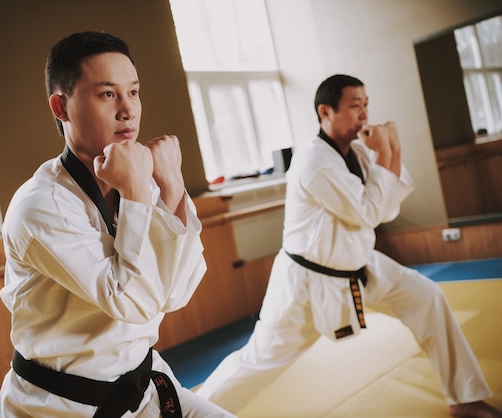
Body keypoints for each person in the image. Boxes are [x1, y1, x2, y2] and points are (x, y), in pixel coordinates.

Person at [197, 74, 502, 418]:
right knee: (256, 362)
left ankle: (464, 397)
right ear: (325, 111)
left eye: (366, 104)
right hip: (307, 284)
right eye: (355, 106)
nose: (363, 113)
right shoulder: (313, 161)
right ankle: (180, 413)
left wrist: (393, 149)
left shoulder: (356, 150)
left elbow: (388, 206)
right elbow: (369, 211)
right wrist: (388, 149)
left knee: (428, 298)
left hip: (360, 264)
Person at [0, 31, 234, 418]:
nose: (128, 110)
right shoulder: (41, 206)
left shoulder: (138, 176)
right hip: (64, 406)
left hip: (145, 385)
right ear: (61, 107)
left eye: (134, 92)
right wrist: (141, 190)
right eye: (107, 94)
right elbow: (131, 302)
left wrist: (171, 188)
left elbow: (178, 293)